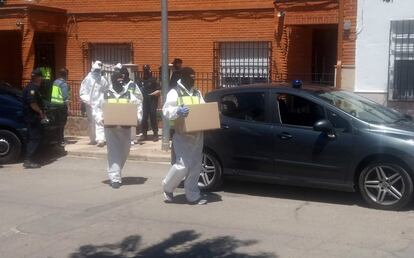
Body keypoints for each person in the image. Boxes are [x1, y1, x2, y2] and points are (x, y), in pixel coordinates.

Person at [162, 67, 207, 205]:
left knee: (195, 166)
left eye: (194, 77)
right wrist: (177, 111)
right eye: (190, 77)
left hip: (197, 134)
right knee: (182, 165)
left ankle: (193, 195)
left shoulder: (197, 93)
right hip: (182, 135)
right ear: (184, 77)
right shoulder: (174, 92)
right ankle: (167, 187)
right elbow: (166, 111)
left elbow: (203, 108)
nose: (193, 79)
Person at [94, 71, 143, 189]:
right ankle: (115, 178)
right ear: (113, 81)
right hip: (111, 129)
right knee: (114, 152)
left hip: (125, 129)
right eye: (117, 80)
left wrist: (137, 118)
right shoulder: (106, 95)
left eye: (121, 81)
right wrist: (101, 119)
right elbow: (97, 110)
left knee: (125, 152)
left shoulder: (128, 94)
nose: (120, 83)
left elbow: (138, 107)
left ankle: (115, 171)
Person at [80, 61, 109, 147]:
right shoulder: (87, 79)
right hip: (90, 104)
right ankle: (93, 138)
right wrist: (88, 100)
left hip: (100, 104)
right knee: (91, 121)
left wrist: (104, 100)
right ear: (92, 70)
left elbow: (106, 91)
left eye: (98, 70)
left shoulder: (102, 79)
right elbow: (83, 92)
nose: (97, 72)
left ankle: (101, 139)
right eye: (96, 70)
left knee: (99, 120)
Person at [22, 69, 46, 169]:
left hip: (32, 117)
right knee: (34, 138)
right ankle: (28, 160)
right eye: (41, 77)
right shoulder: (32, 88)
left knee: (32, 138)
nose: (42, 79)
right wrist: (40, 112)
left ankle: (31, 158)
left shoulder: (32, 87)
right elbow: (32, 103)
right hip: (33, 117)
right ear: (38, 77)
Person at [119, 66, 143, 144]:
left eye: (123, 74)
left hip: (131, 107)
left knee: (131, 124)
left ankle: (132, 139)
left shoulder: (132, 85)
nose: (122, 76)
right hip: (122, 107)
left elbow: (139, 96)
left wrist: (136, 105)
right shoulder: (120, 84)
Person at [139, 65, 161, 141]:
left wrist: (153, 94)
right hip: (144, 101)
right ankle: (144, 134)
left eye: (146, 70)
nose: (145, 71)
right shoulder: (141, 80)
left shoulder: (154, 79)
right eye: (144, 70)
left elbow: (159, 90)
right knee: (144, 117)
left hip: (152, 100)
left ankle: (155, 134)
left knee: (153, 116)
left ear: (149, 70)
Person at [51, 68, 70, 146]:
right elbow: (65, 97)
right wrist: (68, 107)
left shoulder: (55, 82)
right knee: (62, 124)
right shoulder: (63, 84)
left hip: (54, 105)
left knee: (56, 123)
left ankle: (56, 139)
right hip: (61, 106)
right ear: (66, 75)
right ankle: (61, 140)